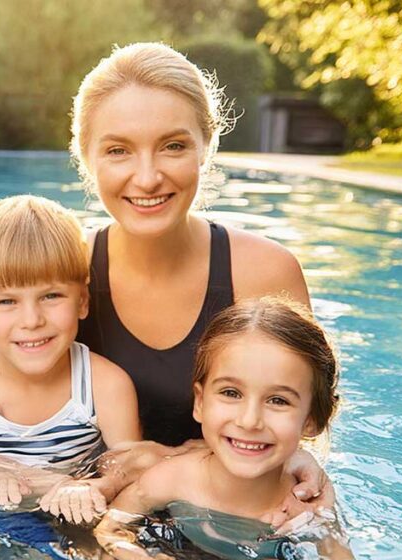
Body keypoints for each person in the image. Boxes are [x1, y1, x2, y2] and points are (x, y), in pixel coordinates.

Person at [69, 42, 326, 508]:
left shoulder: (264, 272)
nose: (147, 178)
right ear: (86, 157)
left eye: (173, 146)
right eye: (118, 150)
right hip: (92, 508)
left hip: (224, 513)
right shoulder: (65, 271)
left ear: (207, 148)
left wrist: (301, 460)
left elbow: (300, 419)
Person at [94, 298, 361, 560]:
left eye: (278, 400)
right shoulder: (174, 479)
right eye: (231, 393)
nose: (250, 420)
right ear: (200, 402)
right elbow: (111, 529)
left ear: (312, 421)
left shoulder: (306, 506)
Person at [0, 194, 142, 526]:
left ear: (82, 300)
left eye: (51, 296)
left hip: (70, 519)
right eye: (7, 301)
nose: (32, 320)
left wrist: (90, 488)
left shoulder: (105, 385)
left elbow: (132, 469)